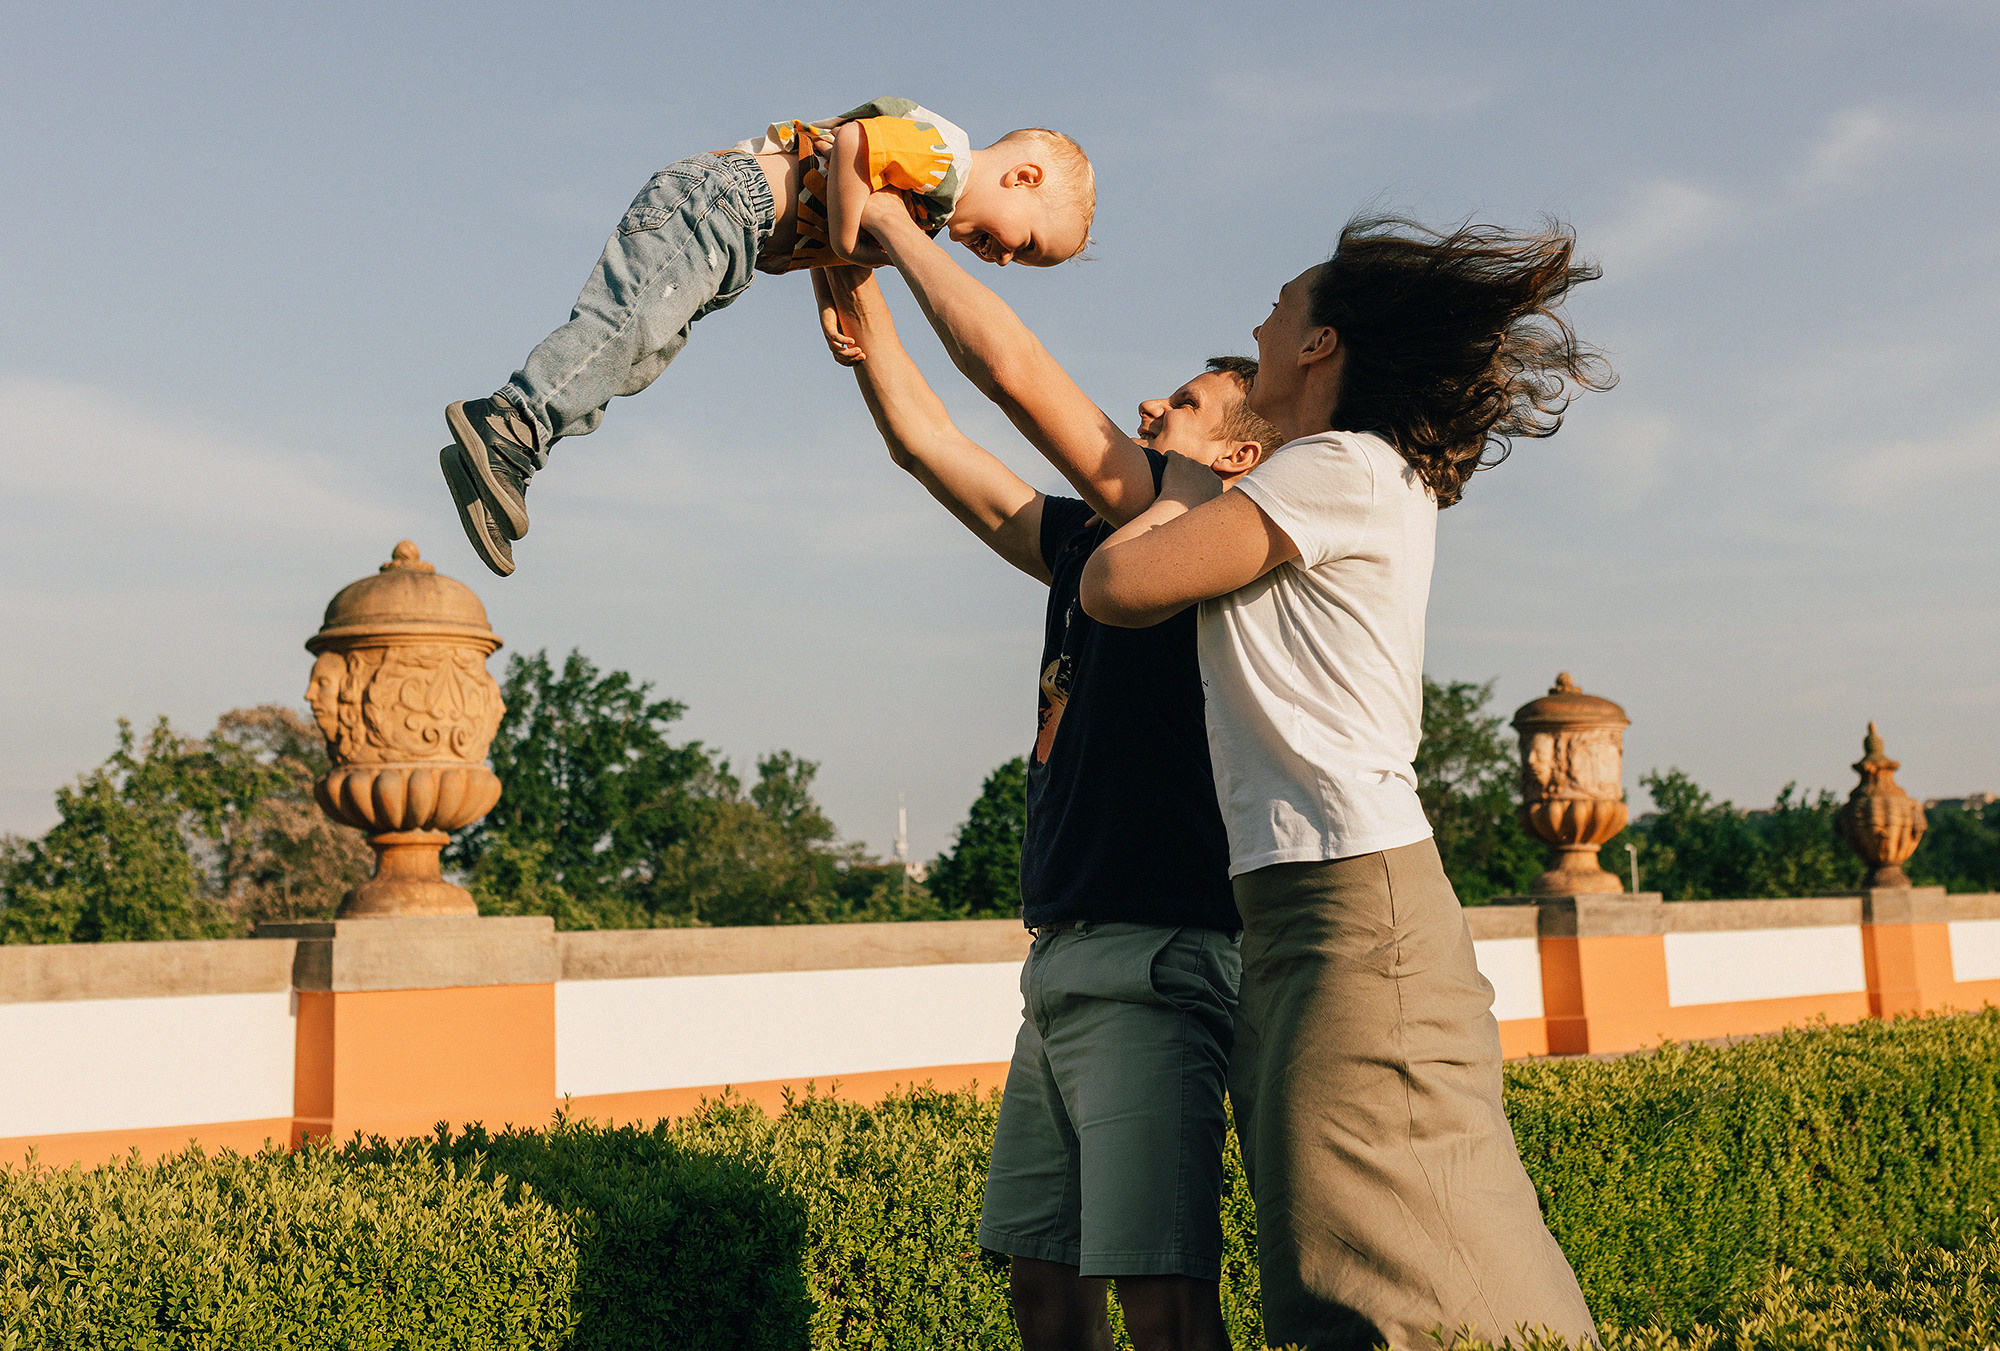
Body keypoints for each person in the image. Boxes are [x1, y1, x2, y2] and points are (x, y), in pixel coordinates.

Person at [1075, 217, 1616, 1349]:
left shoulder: (1336, 467)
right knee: (1369, 1248)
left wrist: (1182, 478)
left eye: (1278, 307)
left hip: (1349, 905)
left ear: (1321, 344)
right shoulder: (1340, 474)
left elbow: (1116, 584)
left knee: (1378, 1270)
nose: (1258, 326)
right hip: (1310, 904)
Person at [815, 252, 1276, 1351]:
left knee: (1161, 1304)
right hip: (1060, 965)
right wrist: (853, 288)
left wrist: (886, 225)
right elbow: (931, 446)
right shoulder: (1087, 546)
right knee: (1043, 1288)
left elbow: (1014, 377)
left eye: (1184, 404)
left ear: (1237, 457)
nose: (1148, 408)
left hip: (1156, 958)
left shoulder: (1216, 558)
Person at [440, 98, 1095, 577]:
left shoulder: (929, 205)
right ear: (1024, 177)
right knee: (629, 329)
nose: (1004, 260)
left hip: (737, 235)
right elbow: (855, 146)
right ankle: (510, 422)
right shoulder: (945, 156)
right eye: (1026, 245)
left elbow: (833, 196)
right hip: (723, 204)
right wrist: (847, 244)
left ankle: (504, 459)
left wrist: (832, 296)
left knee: (640, 356)